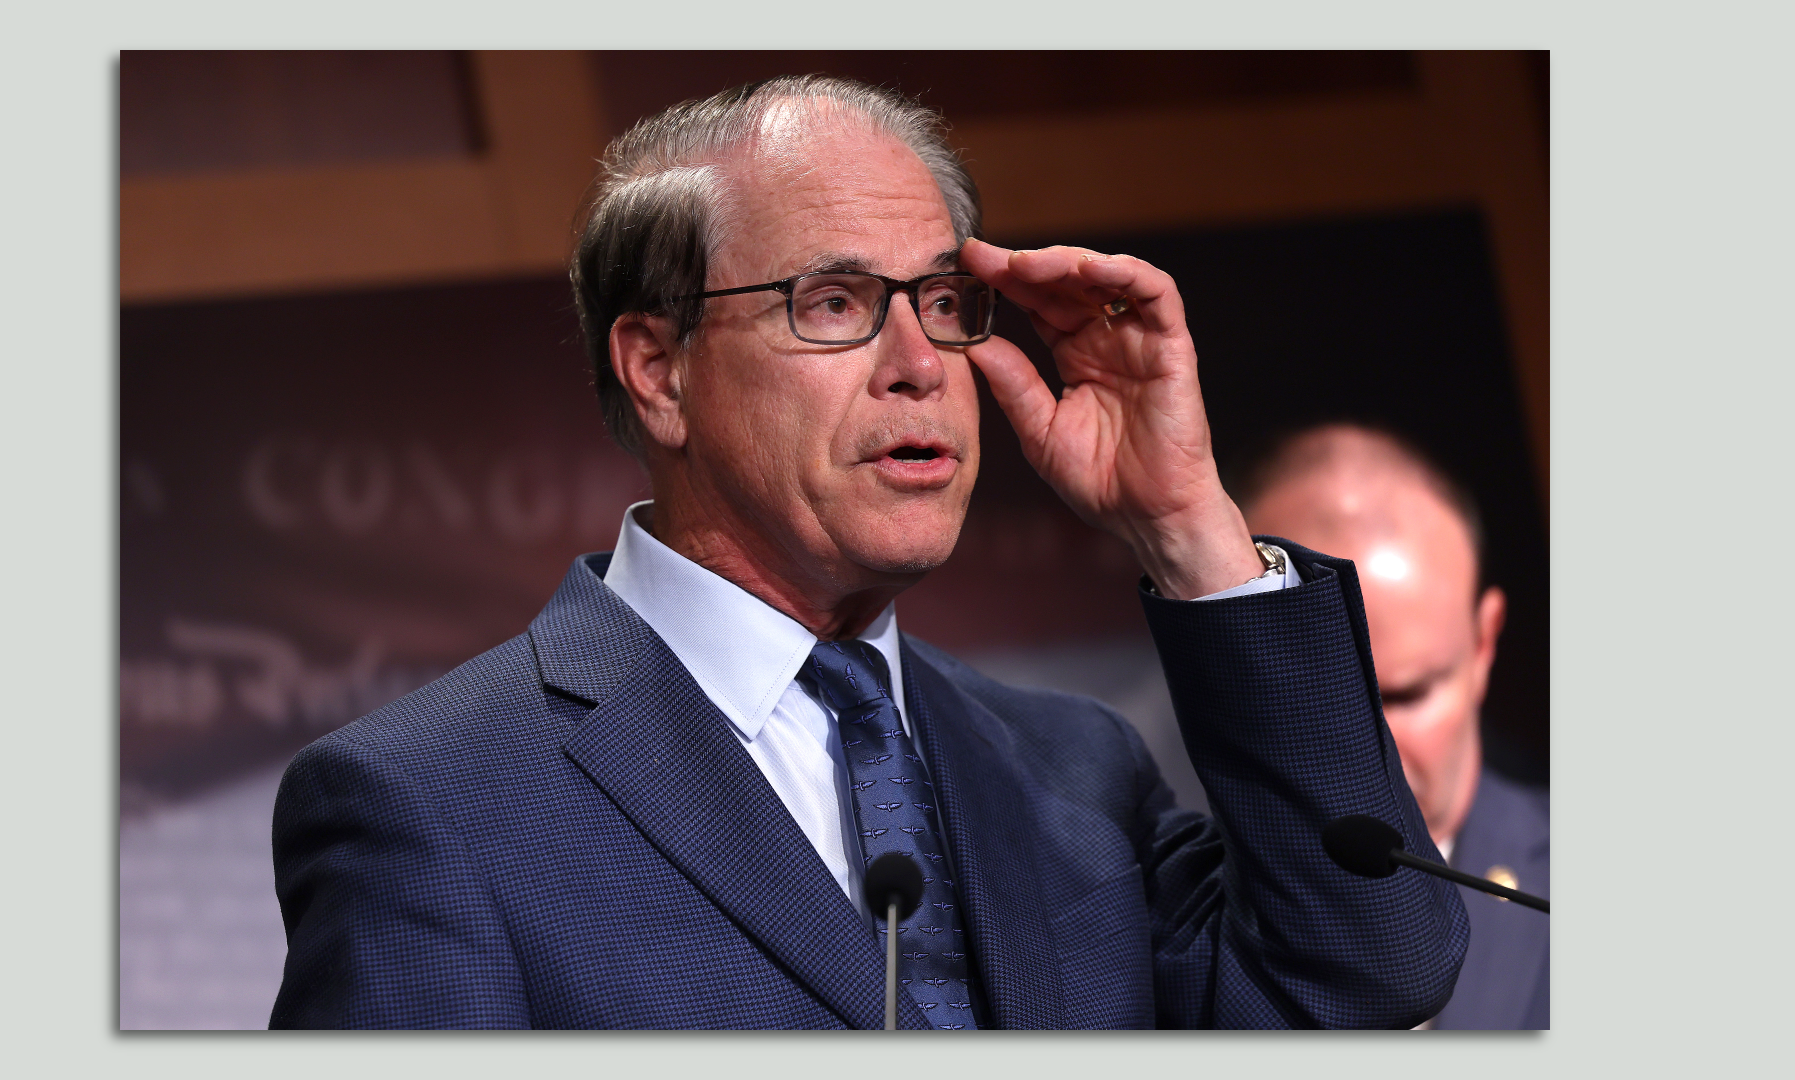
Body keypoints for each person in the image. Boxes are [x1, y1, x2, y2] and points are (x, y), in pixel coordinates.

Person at [268, 76, 1466, 1029]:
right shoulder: (435, 805)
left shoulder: (1075, 770)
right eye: (833, 303)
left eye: (944, 301)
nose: (919, 362)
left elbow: (1370, 973)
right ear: (658, 368)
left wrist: (1190, 532)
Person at [1240, 423, 1548, 1029]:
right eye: (1316, 705)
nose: (1367, 756)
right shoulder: (1166, 924)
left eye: (1407, 695)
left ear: (1485, 645)